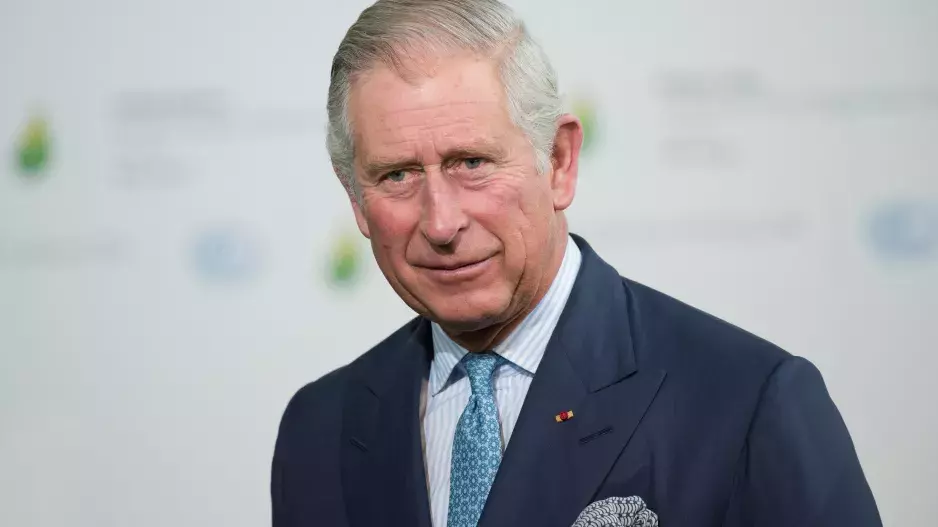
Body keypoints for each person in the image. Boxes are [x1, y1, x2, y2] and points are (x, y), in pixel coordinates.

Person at [270, 1, 883, 526]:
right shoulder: (319, 429)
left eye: (471, 163)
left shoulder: (749, 403)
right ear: (356, 199)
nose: (441, 223)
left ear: (559, 161)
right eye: (397, 176)